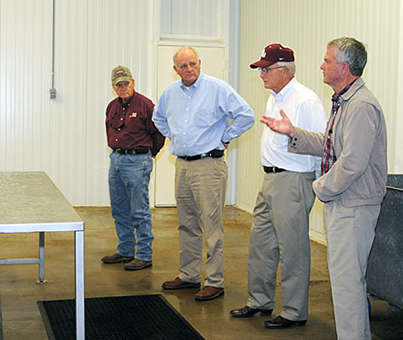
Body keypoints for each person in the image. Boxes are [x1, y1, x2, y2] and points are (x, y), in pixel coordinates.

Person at [261, 37, 387, 339]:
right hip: (345, 202)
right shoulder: (345, 101)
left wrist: (320, 188)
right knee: (347, 284)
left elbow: (353, 162)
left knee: (347, 286)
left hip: (353, 205)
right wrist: (294, 133)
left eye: (327, 61)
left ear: (343, 68)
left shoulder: (360, 106)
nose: (321, 65)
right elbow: (331, 145)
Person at [229, 44, 326, 329]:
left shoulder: (305, 100)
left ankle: (295, 312)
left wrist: (316, 186)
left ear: (285, 70)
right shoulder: (275, 98)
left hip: (293, 181)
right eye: (261, 69)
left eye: (266, 69)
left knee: (292, 249)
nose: (261, 74)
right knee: (261, 244)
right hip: (270, 179)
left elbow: (323, 143)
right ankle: (259, 301)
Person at [152, 46, 254, 301]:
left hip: (209, 165)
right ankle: (188, 275)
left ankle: (215, 281)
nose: (189, 70)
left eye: (192, 64)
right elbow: (158, 118)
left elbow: (246, 116)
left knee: (212, 225)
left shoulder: (217, 88)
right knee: (186, 223)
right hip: (183, 165)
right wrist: (175, 136)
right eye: (183, 66)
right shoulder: (170, 93)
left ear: (199, 63)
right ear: (175, 69)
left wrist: (225, 136)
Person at [102, 65, 166, 271]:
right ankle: (125, 250)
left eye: (126, 83)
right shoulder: (112, 106)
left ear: (133, 83)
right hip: (117, 160)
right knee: (119, 209)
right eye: (119, 85)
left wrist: (147, 155)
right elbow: (109, 132)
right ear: (114, 86)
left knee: (139, 210)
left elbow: (159, 133)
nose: (123, 88)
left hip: (137, 161)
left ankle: (144, 254)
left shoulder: (145, 105)